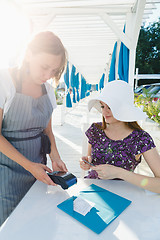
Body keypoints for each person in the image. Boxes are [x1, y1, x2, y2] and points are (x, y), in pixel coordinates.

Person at [0, 31, 68, 226]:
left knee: (36, 223)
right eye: (44, 67)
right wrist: (29, 166)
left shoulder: (49, 90)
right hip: (6, 173)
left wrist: (55, 157)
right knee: (9, 226)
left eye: (54, 71)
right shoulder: (4, 80)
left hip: (40, 168)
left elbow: (47, 131)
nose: (47, 76)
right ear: (28, 54)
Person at [80, 80, 160, 193]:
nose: (104, 112)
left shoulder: (141, 138)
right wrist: (86, 162)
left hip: (124, 195)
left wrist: (119, 173)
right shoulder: (95, 130)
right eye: (102, 106)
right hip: (92, 190)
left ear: (124, 108)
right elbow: (90, 158)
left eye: (110, 107)